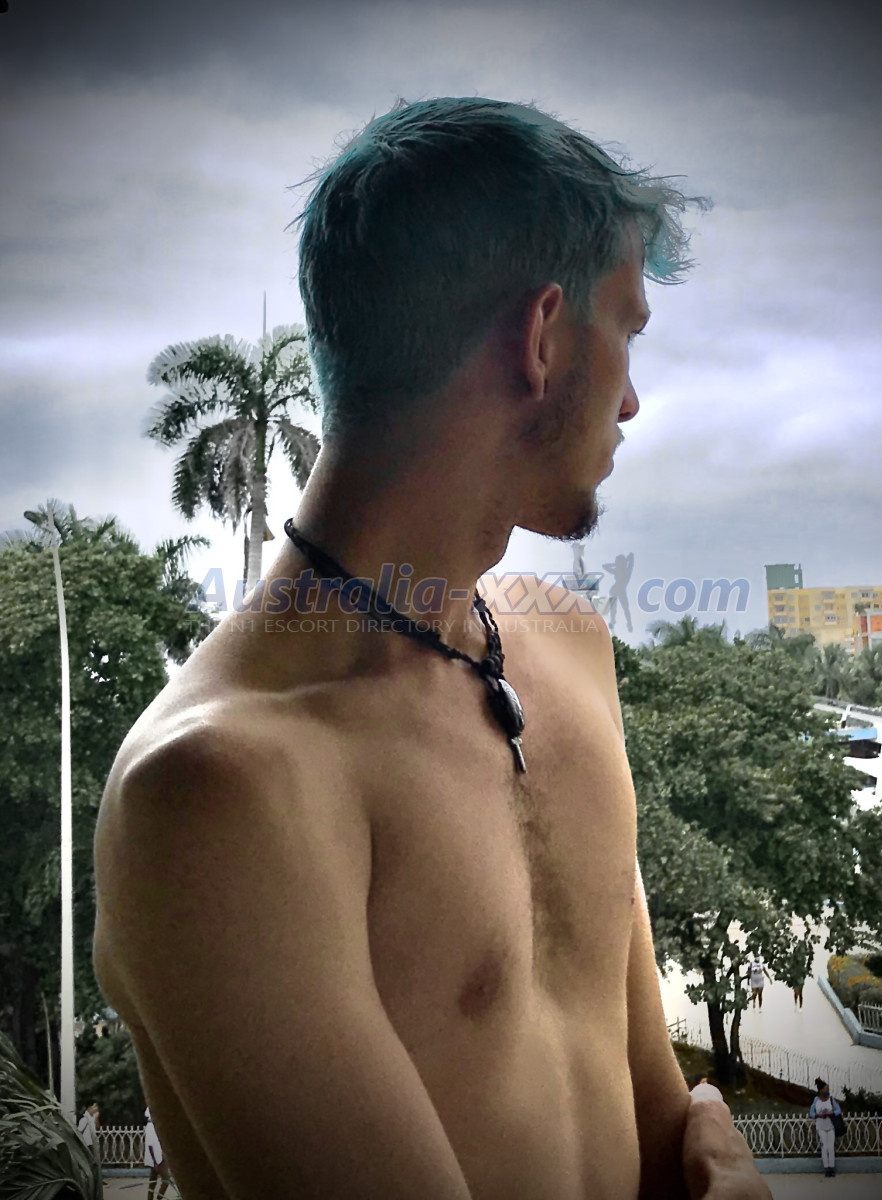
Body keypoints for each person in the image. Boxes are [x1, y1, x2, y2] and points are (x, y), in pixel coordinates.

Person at [93, 97, 770, 1199]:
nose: (633, 402)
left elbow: (655, 1116)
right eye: (627, 331)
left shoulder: (570, 653)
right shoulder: (224, 791)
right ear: (542, 336)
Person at [809, 1078, 843, 1177]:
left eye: (827, 1089)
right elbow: (811, 1113)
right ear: (820, 1090)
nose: (827, 1091)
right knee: (824, 1147)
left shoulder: (831, 1100)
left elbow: (838, 1110)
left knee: (831, 1147)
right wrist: (818, 1115)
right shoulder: (816, 1100)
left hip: (831, 1126)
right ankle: (826, 1168)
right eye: (825, 1089)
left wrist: (831, 1113)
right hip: (820, 1126)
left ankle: (832, 1168)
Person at [145, 1105, 171, 1199]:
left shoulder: (152, 1126)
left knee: (153, 1180)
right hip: (157, 1158)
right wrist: (155, 1162)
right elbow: (150, 1145)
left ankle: (150, 1198)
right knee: (166, 1180)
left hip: (156, 1157)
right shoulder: (151, 1127)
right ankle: (159, 1198)